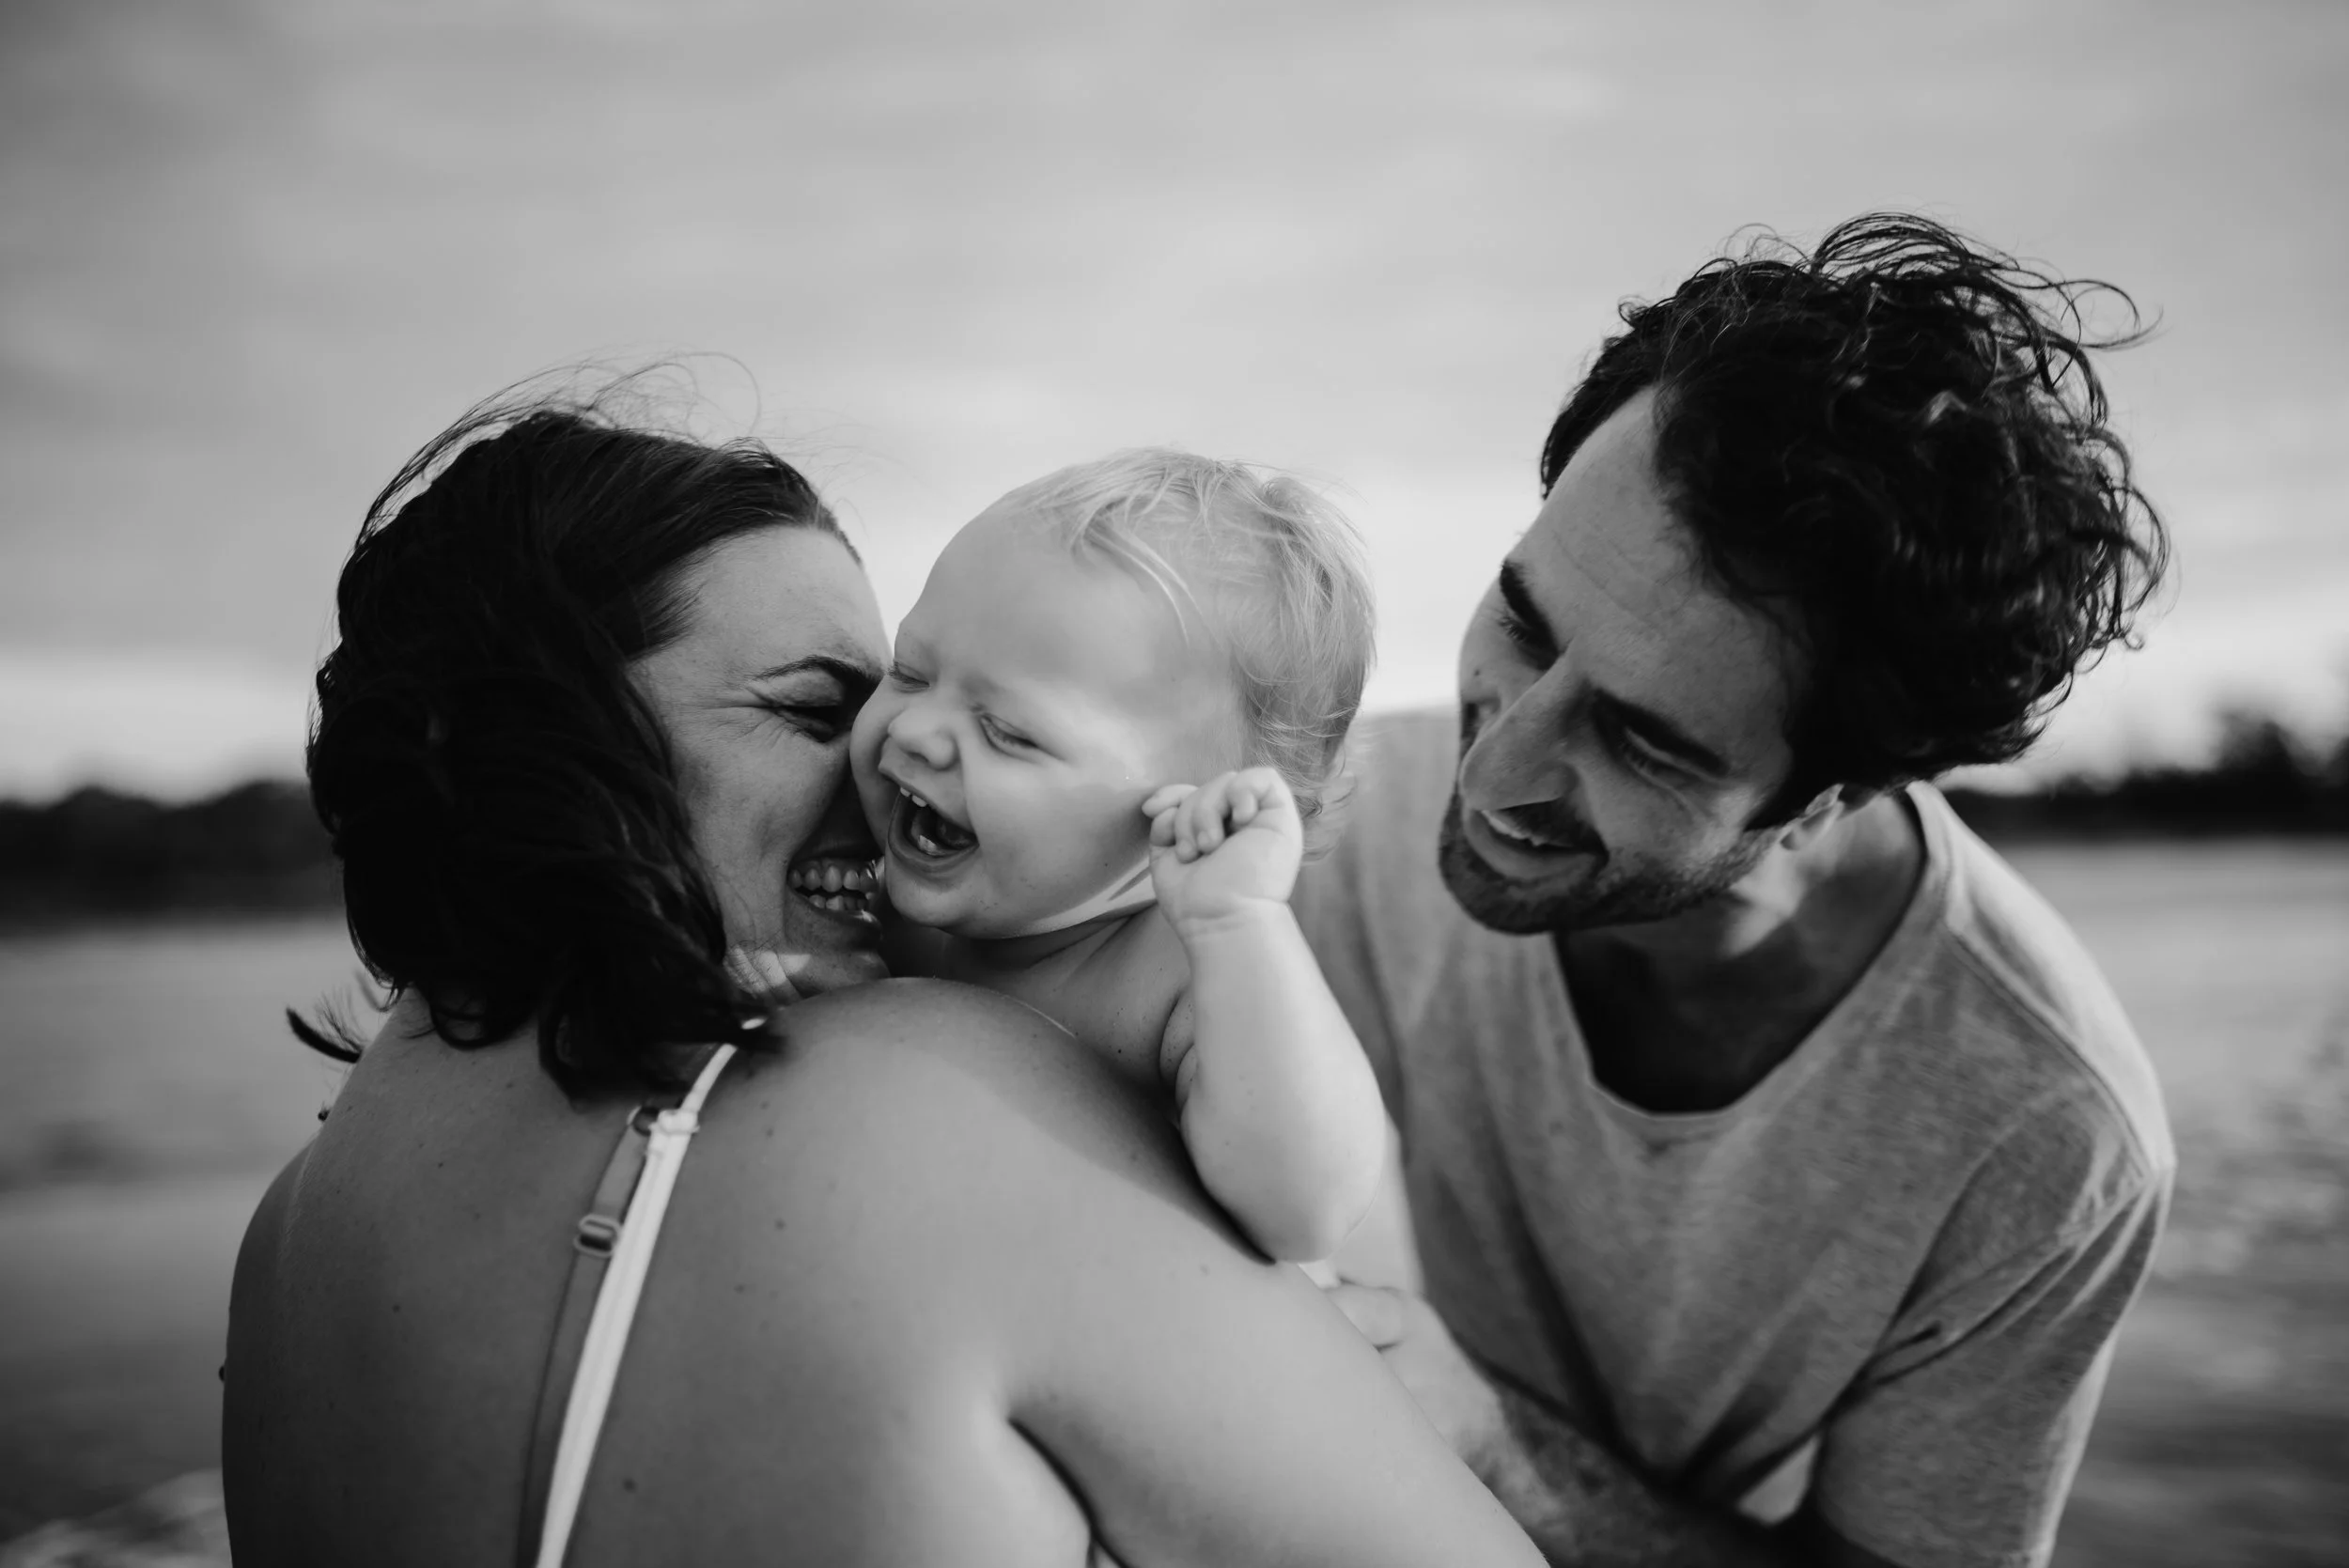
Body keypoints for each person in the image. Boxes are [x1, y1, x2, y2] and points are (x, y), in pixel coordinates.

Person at [220, 388, 1544, 1568]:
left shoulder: (289, 1234)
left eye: (1010, 729)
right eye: (827, 703)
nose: (885, 759)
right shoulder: (930, 1091)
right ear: (532, 732)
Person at [1297, 214, 2176, 1568]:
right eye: (1523, 623)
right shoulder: (1310, 820)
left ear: (1830, 796)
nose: (1502, 766)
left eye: (1644, 738)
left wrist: (1486, 1446)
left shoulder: (2043, 1134)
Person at [846, 450, 1386, 1265]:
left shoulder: (1182, 977)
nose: (916, 731)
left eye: (1009, 732)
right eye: (910, 671)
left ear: (1194, 810)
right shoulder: (873, 901)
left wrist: (1236, 925)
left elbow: (1304, 1208)